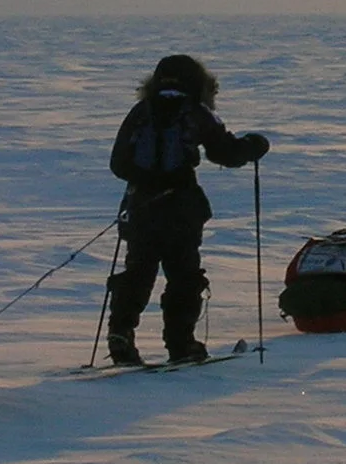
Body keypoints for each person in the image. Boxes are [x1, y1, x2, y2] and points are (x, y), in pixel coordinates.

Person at [106, 54, 270, 366]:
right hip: (182, 210)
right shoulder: (197, 112)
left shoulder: (140, 112)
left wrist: (146, 180)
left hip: (140, 208)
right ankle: (181, 344)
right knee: (183, 277)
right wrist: (255, 145)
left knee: (138, 273)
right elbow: (226, 153)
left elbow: (118, 163)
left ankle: (120, 335)